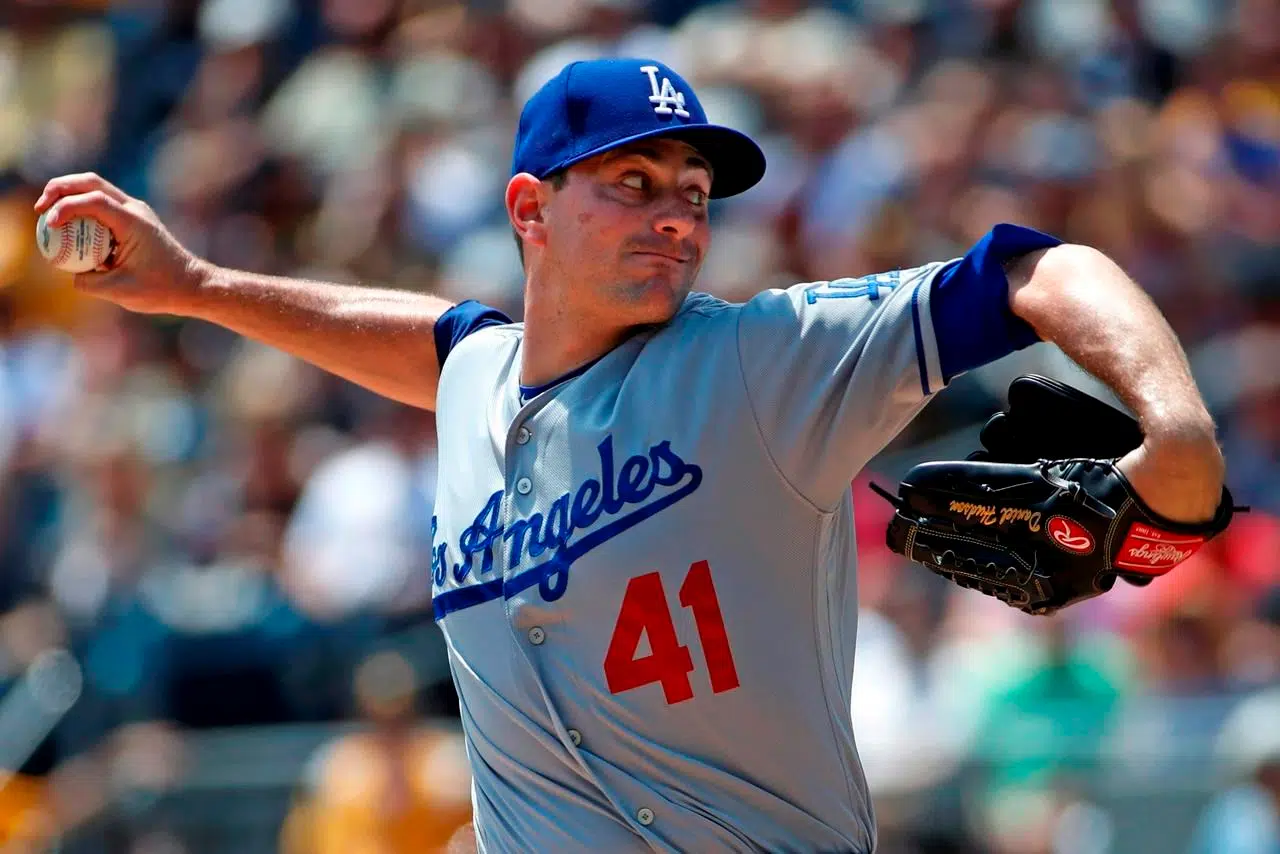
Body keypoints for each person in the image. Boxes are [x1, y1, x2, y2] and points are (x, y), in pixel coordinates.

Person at [36, 58, 1226, 852]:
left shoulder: (765, 359)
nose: (677, 214)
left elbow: (1044, 271)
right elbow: (431, 341)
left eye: (694, 192)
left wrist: (1176, 436)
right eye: (632, 181)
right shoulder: (472, 380)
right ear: (527, 211)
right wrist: (197, 287)